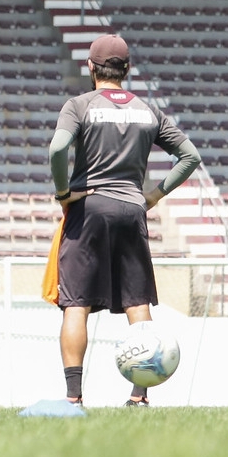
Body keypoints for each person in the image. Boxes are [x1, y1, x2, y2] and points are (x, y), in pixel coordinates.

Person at [51, 34, 201, 407]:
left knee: (77, 304)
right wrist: (153, 195)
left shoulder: (79, 105)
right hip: (133, 208)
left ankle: (73, 399)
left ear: (90, 67)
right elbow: (190, 156)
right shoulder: (148, 111)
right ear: (127, 69)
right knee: (136, 302)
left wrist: (63, 192)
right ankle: (139, 395)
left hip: (89, 209)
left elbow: (57, 148)